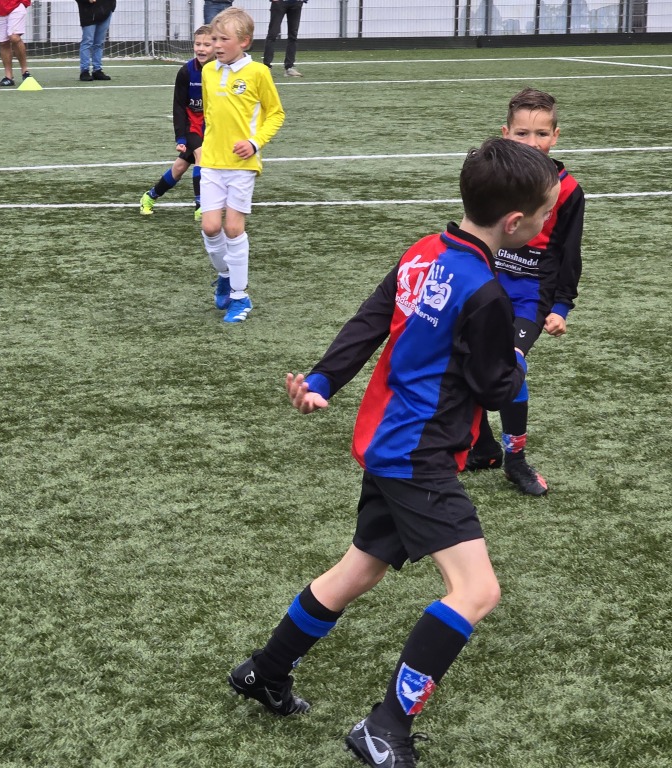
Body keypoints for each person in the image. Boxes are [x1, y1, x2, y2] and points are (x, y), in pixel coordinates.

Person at [227, 137, 560, 767]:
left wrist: (323, 380)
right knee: (476, 591)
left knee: (360, 569)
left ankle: (264, 671)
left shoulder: (423, 251)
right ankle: (385, 728)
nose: (548, 223)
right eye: (546, 213)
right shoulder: (488, 293)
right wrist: (518, 352)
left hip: (389, 440)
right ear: (515, 223)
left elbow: (369, 319)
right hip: (419, 456)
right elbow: (496, 387)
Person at [465, 88, 585, 496]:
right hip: (485, 286)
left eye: (541, 134)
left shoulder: (568, 190)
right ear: (506, 134)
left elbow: (569, 252)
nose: (532, 143)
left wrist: (562, 306)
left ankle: (515, 460)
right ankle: (483, 448)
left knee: (507, 364)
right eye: (521, 133)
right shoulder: (495, 177)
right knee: (466, 358)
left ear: (555, 136)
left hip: (530, 298)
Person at [198, 7, 284, 323]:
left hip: (242, 165)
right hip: (211, 161)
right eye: (214, 39)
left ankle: (240, 295)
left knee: (233, 228)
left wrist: (254, 143)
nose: (216, 45)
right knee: (210, 227)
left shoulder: (258, 73)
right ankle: (225, 275)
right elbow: (210, 114)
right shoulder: (208, 71)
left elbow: (276, 114)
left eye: (224, 39)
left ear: (244, 41)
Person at [139, 25, 214, 222]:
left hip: (211, 127)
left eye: (207, 44)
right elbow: (179, 107)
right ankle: (201, 206)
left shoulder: (221, 70)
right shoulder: (186, 72)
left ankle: (150, 196)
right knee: (202, 156)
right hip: (192, 126)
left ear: (216, 46)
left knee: (179, 168)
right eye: (198, 44)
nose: (201, 49)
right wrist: (181, 137)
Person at [0, 0, 32, 87]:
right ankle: (9, 77)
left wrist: (24, 3)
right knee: (3, 42)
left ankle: (25, 72)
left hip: (16, 5)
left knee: (14, 37)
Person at [262, 0, 306, 77]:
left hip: (296, 3)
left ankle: (289, 67)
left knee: (293, 36)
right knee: (272, 34)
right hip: (279, 3)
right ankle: (266, 66)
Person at [76, 0, 116, 82]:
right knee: (88, 42)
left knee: (99, 43)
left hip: (106, 11)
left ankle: (97, 70)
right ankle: (84, 71)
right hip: (88, 12)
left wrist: (111, 6)